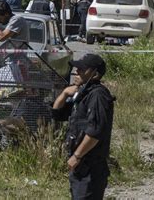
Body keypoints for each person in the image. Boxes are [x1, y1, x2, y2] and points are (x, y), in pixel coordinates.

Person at [51, 54, 115, 199]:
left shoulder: (98, 95)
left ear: (95, 74)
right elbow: (57, 114)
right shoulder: (83, 94)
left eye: (82, 69)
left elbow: (95, 132)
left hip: (91, 165)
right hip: (81, 167)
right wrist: (65, 93)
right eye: (76, 68)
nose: (77, 71)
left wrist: (77, 156)